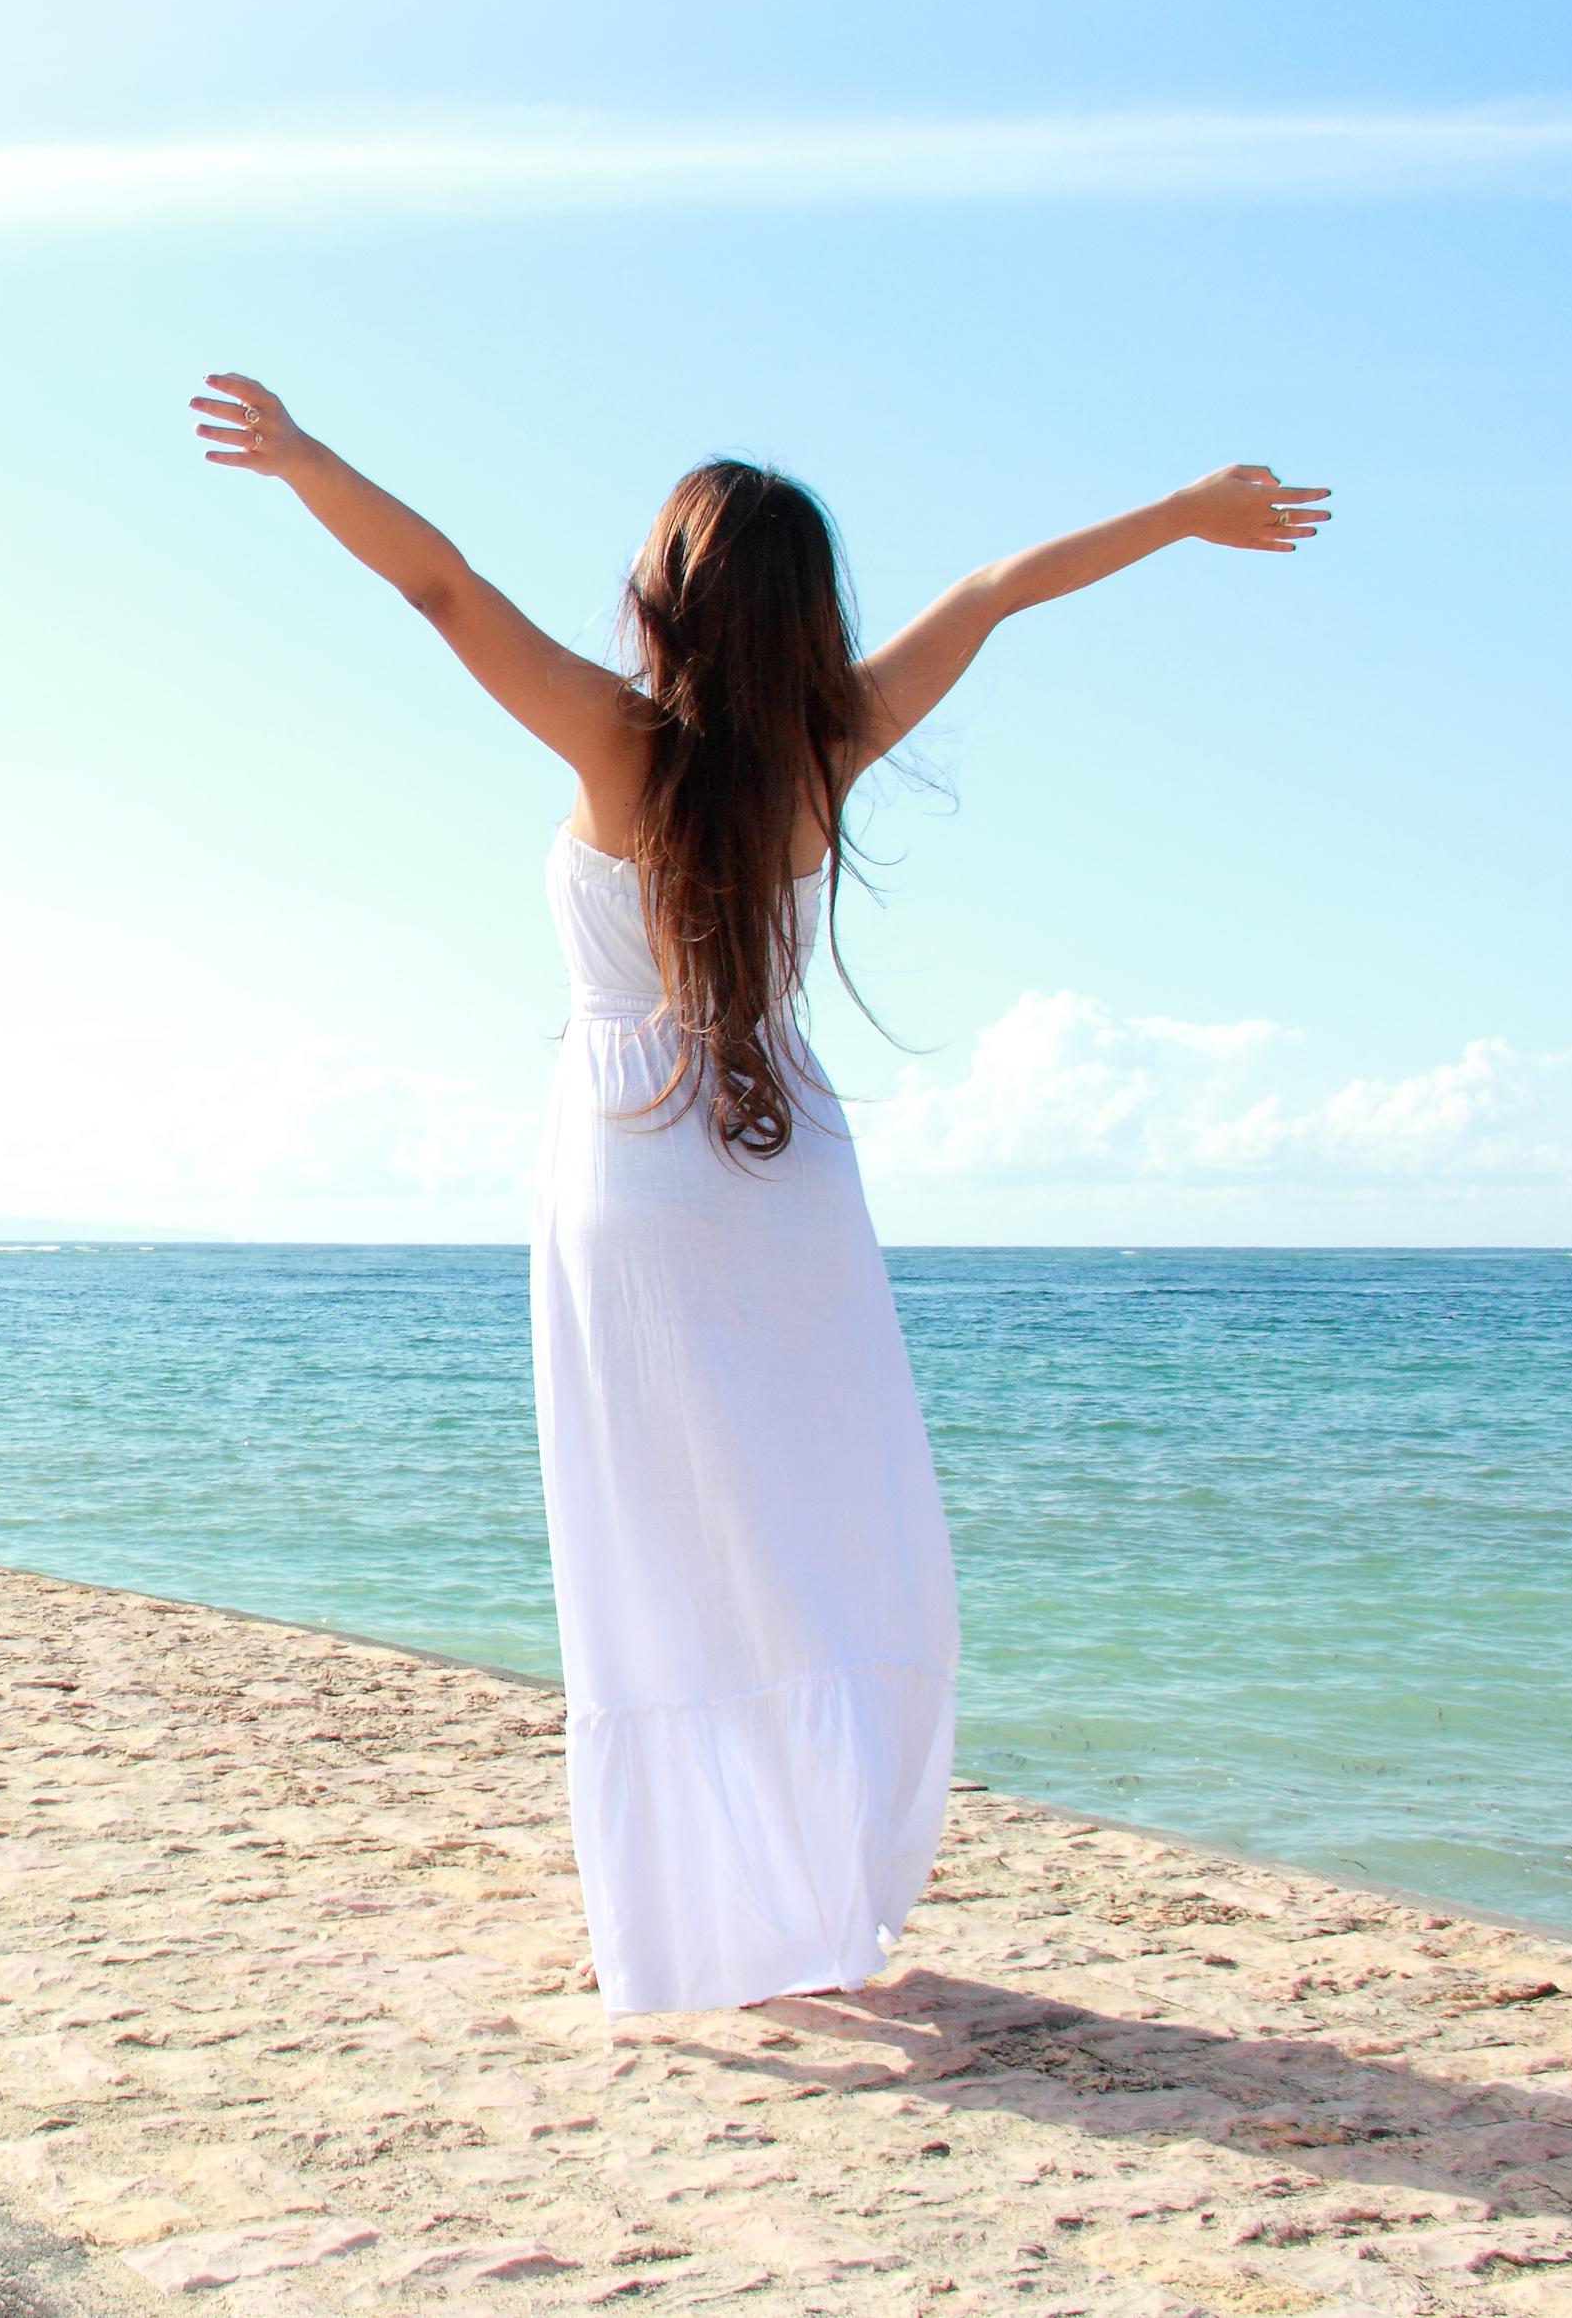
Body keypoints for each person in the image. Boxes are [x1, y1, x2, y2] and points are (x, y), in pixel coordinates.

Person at [194, 374, 1327, 2013]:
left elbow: (437, 586)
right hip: (787, 1167)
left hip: (634, 1157)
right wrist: (1181, 514)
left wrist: (305, 459)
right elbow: (998, 591)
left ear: (664, 593)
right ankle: (819, 1882)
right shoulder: (831, 749)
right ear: (808, 619)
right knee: (819, 1528)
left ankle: (688, 1909)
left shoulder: (610, 738)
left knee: (655, 1546)